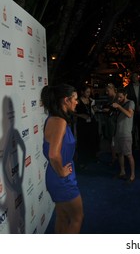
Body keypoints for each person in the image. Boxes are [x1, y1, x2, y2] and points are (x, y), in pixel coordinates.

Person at [41, 84, 84, 233]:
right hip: (61, 178)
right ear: (66, 100)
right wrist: (61, 172)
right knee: (77, 218)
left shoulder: (51, 119)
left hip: (54, 175)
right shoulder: (60, 121)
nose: (77, 102)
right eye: (75, 99)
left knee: (62, 216)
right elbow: (53, 154)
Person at [112, 87, 136, 182]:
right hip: (118, 132)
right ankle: (122, 172)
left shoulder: (131, 103)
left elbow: (130, 115)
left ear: (125, 95)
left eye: (120, 97)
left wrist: (119, 107)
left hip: (126, 133)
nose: (119, 99)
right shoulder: (120, 103)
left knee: (129, 154)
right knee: (120, 153)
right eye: (118, 97)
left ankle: (133, 174)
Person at [74, 84, 100, 168]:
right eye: (87, 92)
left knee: (92, 140)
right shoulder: (77, 101)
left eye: (89, 92)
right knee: (82, 142)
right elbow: (73, 113)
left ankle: (92, 157)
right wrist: (81, 115)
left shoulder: (91, 100)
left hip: (91, 123)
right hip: (82, 124)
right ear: (82, 92)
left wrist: (95, 108)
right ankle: (82, 160)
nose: (89, 94)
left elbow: (94, 110)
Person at [101, 83, 118, 165]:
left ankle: (115, 157)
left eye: (107, 91)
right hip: (110, 122)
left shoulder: (117, 98)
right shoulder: (111, 98)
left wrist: (109, 110)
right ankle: (114, 157)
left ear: (112, 89)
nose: (107, 93)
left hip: (115, 123)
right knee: (112, 140)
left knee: (113, 140)